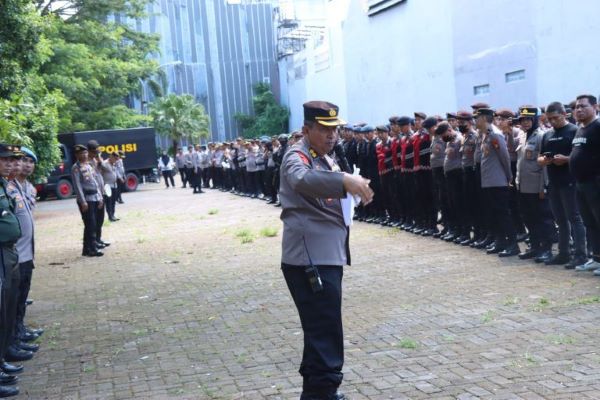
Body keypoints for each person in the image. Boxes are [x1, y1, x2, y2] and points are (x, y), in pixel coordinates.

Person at [280, 100, 373, 400]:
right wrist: (345, 180)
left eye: (335, 129)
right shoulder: (298, 155)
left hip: (326, 254)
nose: (332, 135)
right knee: (324, 331)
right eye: (324, 129)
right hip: (310, 258)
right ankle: (323, 393)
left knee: (321, 330)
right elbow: (302, 179)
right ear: (307, 129)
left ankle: (319, 392)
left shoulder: (325, 156)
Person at [538, 102, 587, 268]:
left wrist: (565, 159)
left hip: (570, 181)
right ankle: (563, 252)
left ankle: (581, 254)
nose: (552, 122)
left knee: (575, 218)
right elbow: (539, 158)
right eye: (549, 119)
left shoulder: (574, 131)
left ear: (564, 115)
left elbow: (581, 155)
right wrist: (545, 160)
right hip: (553, 182)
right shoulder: (547, 134)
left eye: (555, 118)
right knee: (560, 220)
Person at [477, 108, 520, 257]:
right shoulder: (486, 134)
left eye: (477, 118)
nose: (474, 122)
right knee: (494, 214)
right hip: (489, 181)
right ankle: (500, 241)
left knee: (503, 214)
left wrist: (508, 177)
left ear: (483, 119)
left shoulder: (495, 134)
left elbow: (505, 157)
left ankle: (513, 244)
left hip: (498, 181)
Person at [515, 106, 555, 263]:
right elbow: (521, 161)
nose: (525, 122)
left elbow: (545, 165)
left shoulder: (542, 136)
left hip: (537, 186)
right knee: (528, 218)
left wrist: (543, 187)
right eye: (522, 119)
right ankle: (535, 246)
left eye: (528, 119)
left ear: (535, 119)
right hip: (523, 186)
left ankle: (546, 249)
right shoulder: (523, 136)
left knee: (543, 218)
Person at [0, 144, 23, 398]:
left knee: (7, 307)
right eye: (4, 160)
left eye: (10, 160)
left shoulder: (3, 185)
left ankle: (2, 359)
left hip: (8, 250)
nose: (9, 164)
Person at [14, 147, 43, 343]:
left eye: (31, 161)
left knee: (22, 295)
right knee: (14, 298)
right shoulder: (10, 188)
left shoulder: (27, 188)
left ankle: (19, 329)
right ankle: (14, 336)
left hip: (27, 251)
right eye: (24, 160)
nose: (27, 165)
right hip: (15, 253)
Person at [570, 94, 600, 272]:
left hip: (595, 183)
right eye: (576, 107)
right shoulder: (580, 129)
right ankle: (596, 258)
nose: (578, 110)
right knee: (590, 223)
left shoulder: (598, 127)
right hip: (581, 184)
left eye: (583, 106)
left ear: (595, 107)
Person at [71, 144, 104, 257]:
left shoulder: (89, 165)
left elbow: (95, 182)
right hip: (86, 199)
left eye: (85, 153)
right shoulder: (76, 168)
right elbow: (77, 185)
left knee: (92, 224)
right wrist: (83, 201)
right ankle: (92, 248)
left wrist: (99, 197)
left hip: (94, 197)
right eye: (81, 153)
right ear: (77, 155)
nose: (84, 155)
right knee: (90, 224)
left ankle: (86, 249)